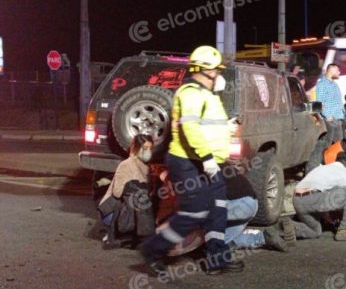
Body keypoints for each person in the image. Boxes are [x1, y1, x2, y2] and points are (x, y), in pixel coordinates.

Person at [139, 45, 243, 276]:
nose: (220, 75)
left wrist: (227, 127)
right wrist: (206, 158)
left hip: (208, 162)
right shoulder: (191, 93)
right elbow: (190, 127)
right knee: (194, 211)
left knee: (218, 207)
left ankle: (217, 259)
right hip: (188, 162)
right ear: (208, 71)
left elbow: (207, 126)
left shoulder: (209, 96)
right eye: (218, 70)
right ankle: (152, 250)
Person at [165, 163, 291, 255]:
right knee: (221, 246)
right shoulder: (214, 163)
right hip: (251, 205)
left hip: (238, 205)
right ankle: (265, 237)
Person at [97, 134, 155, 249]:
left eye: (150, 148)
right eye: (144, 148)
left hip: (131, 210)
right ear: (136, 148)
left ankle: (142, 234)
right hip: (113, 211)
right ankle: (139, 235)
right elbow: (117, 192)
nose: (148, 152)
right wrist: (134, 187)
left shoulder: (147, 167)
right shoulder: (126, 165)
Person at [292, 152, 346, 241]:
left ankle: (287, 227)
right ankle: (345, 231)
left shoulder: (322, 168)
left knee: (315, 231)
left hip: (297, 201)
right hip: (312, 198)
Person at [315, 63, 345, 142]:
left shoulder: (334, 84)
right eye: (337, 70)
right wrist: (327, 116)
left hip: (337, 118)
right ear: (331, 71)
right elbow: (320, 102)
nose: (339, 72)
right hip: (330, 120)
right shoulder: (322, 84)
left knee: (338, 144)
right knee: (328, 144)